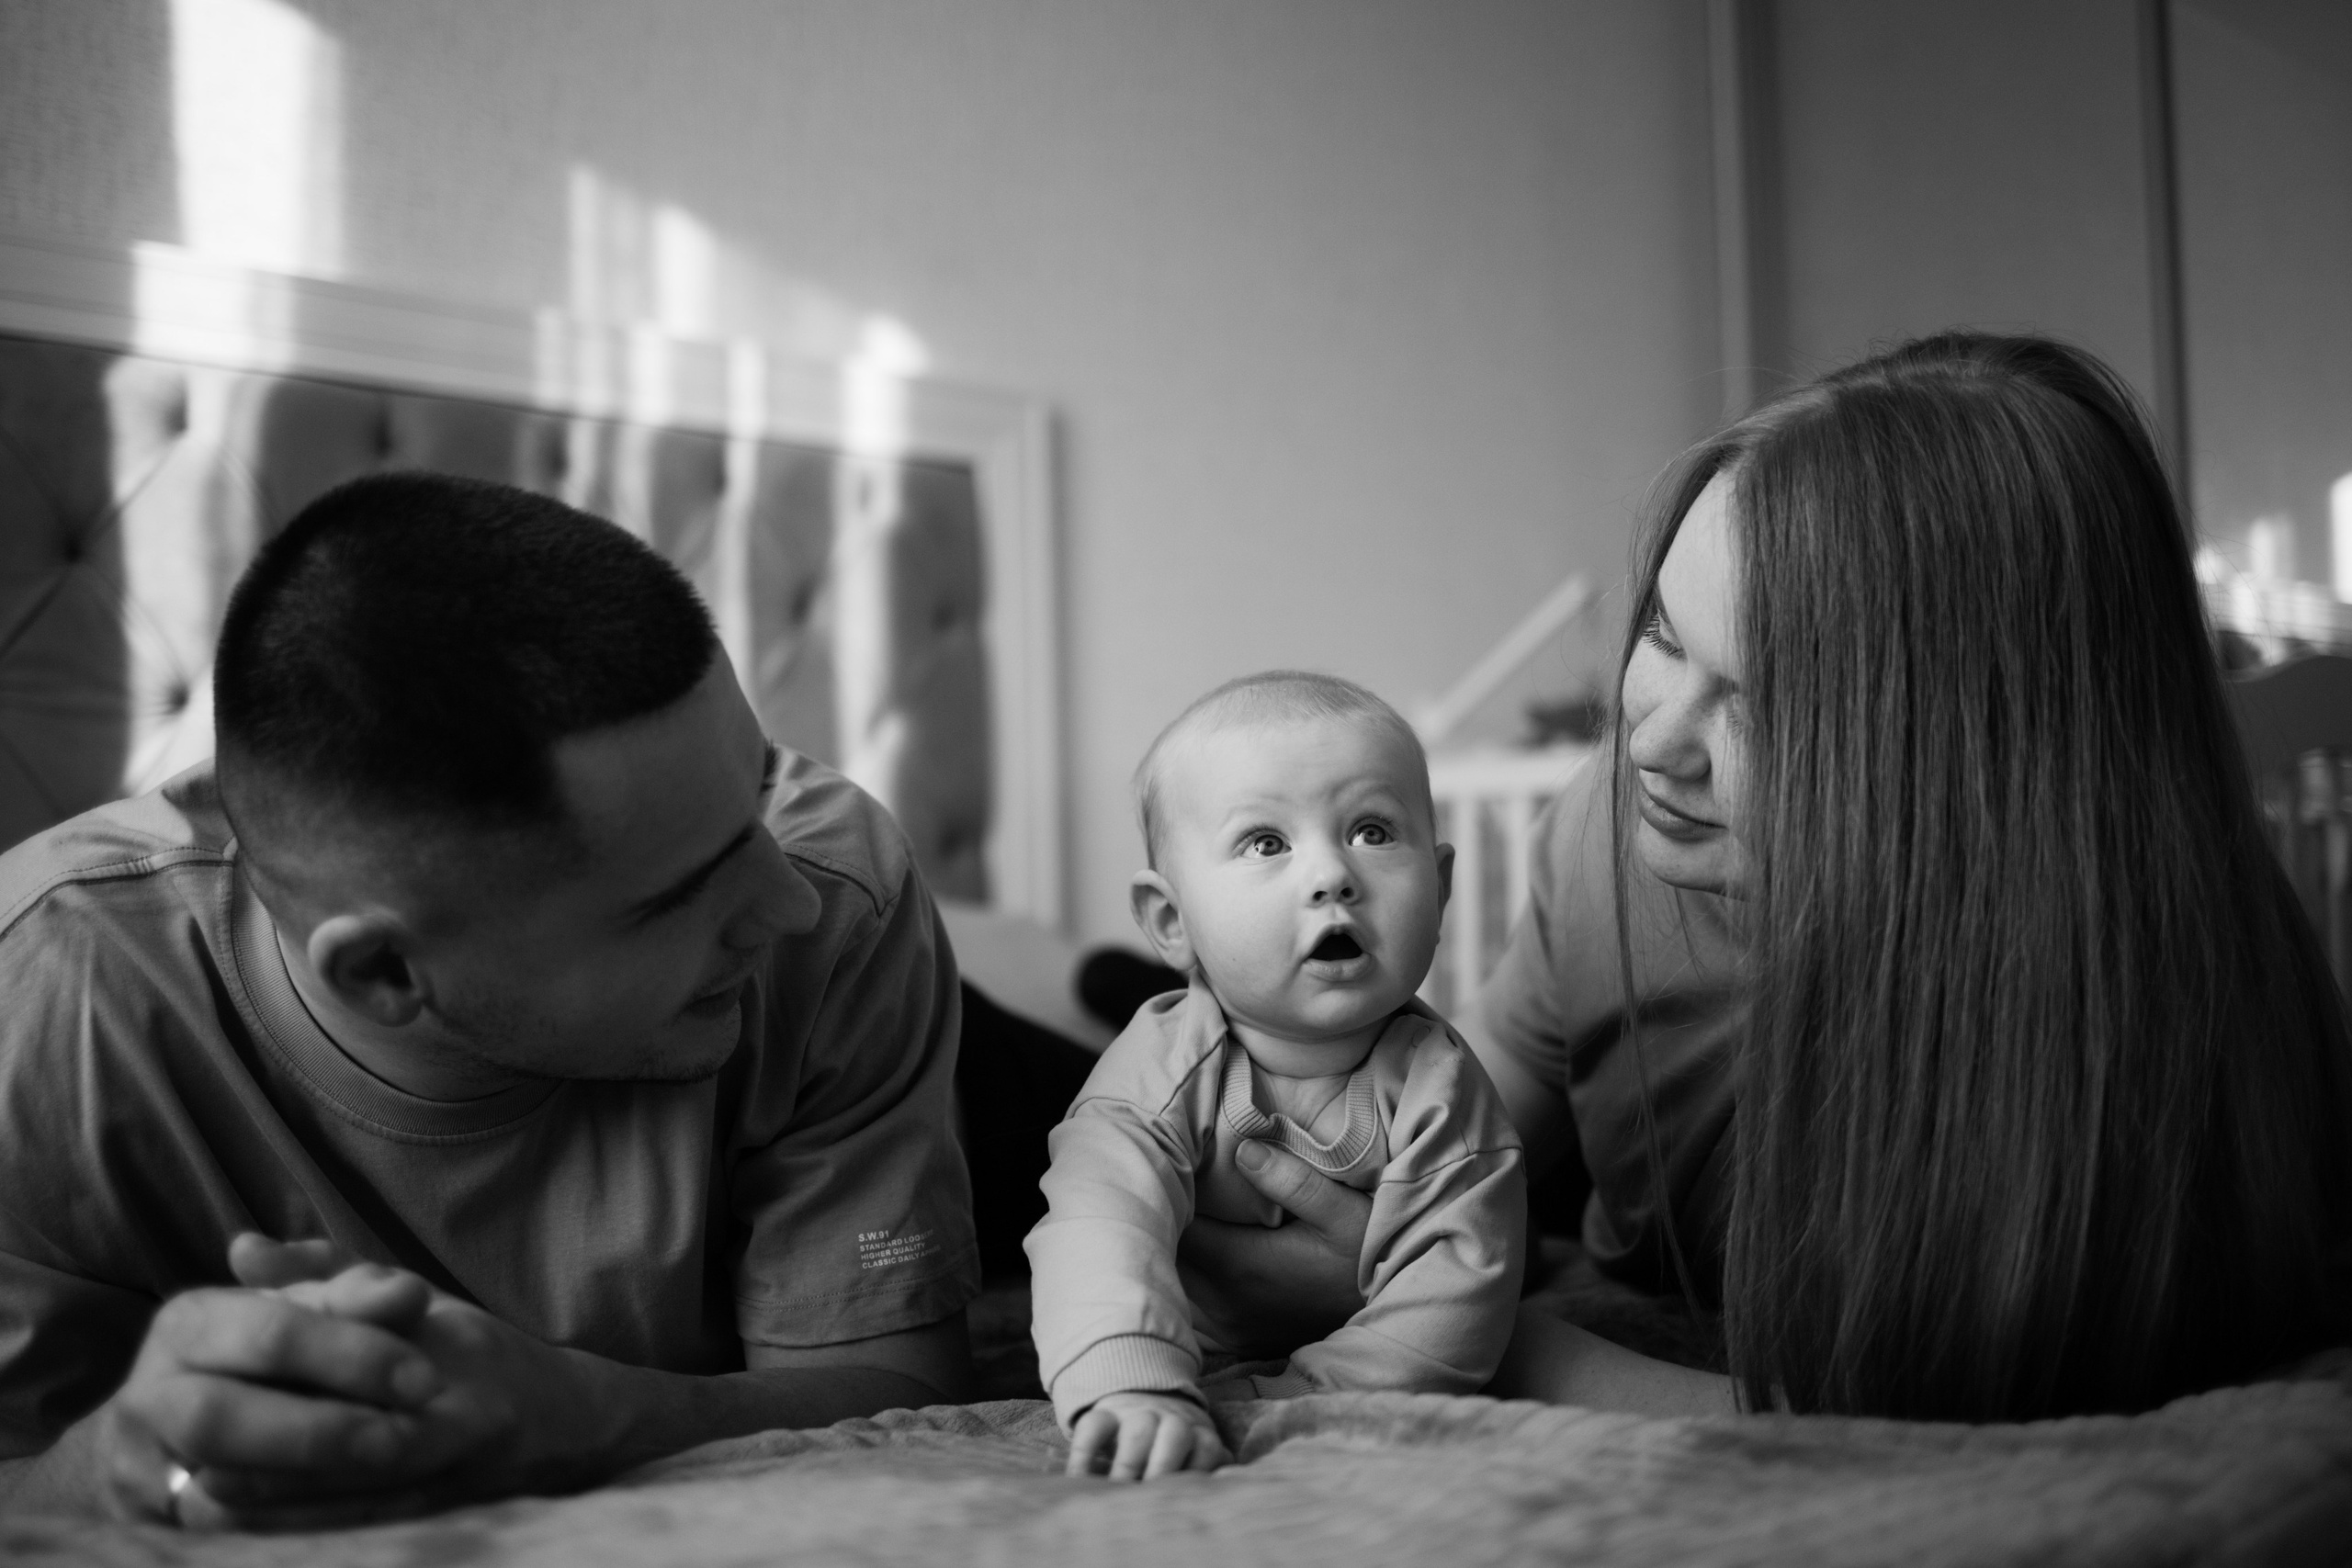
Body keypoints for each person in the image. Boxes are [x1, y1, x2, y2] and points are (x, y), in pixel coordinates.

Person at [1183, 333, 2352, 1423]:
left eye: (1763, 704)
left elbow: (1854, 1433)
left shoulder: (2134, 1045)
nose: (1650, 741)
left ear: (1973, 770)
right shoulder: (1607, 828)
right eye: (1660, 637)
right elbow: (1444, 1114)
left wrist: (1444, 1322)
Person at [0, 474, 981, 1528]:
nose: (782, 900)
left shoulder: (836, 889)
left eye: (751, 797)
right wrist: (115, 1465)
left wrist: (569, 1410)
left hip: (935, 1059)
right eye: (680, 896)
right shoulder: (47, 998)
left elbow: (896, 1391)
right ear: (382, 974)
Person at [1028, 672, 1524, 1481]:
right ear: (1171, 921)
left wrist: (1297, 1398)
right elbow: (1096, 1222)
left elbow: (1454, 1301)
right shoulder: (1159, 1067)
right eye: (1268, 842)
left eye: (1371, 830)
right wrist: (1135, 1382)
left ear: (1439, 887)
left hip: (1340, 1363)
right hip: (1187, 1338)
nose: (1332, 872)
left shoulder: (1443, 1095)